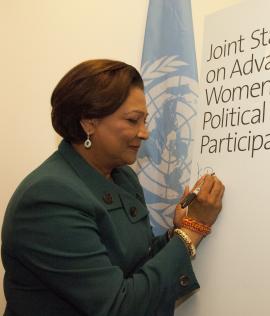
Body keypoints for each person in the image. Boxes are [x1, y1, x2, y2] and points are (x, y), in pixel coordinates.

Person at [1, 59, 225, 316]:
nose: (145, 133)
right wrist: (193, 230)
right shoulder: (48, 198)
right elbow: (118, 308)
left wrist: (177, 231)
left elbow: (136, 262)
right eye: (132, 120)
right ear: (89, 123)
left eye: (145, 120)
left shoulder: (123, 177)